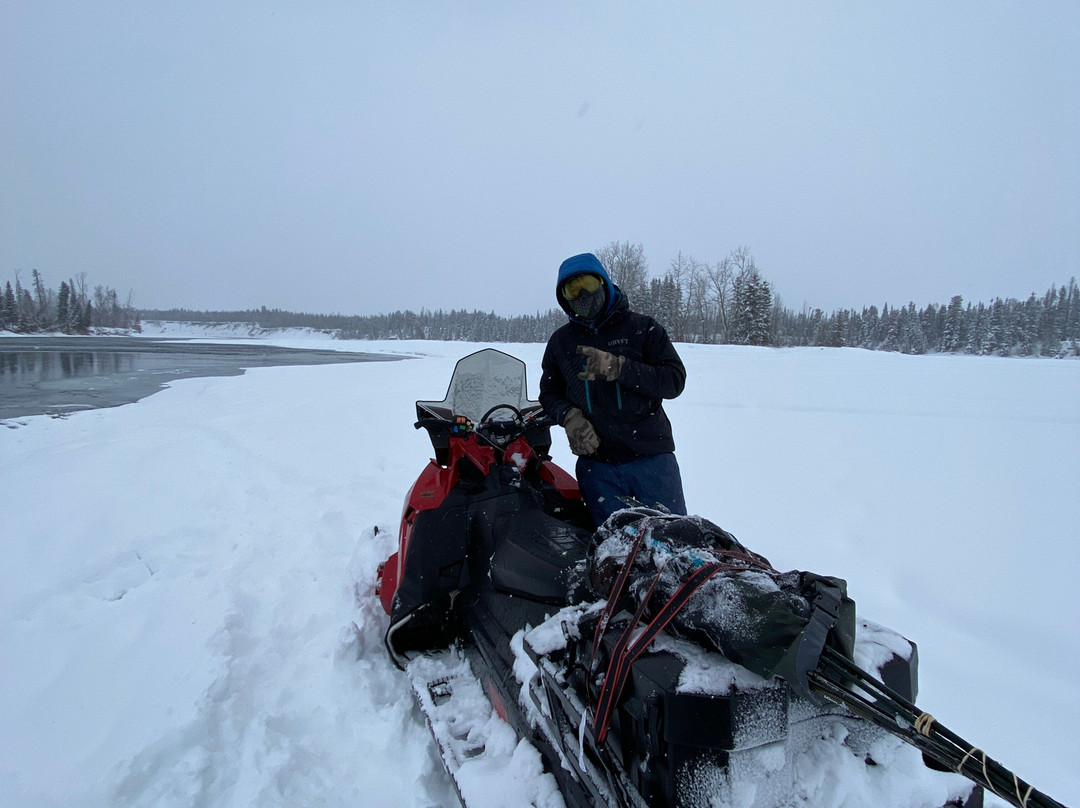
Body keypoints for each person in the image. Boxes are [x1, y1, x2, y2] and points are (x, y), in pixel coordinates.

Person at [540, 252, 688, 526]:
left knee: (673, 540)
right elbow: (549, 394)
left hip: (651, 459)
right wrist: (569, 418)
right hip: (597, 466)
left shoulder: (643, 329)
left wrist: (620, 369)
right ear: (563, 297)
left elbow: (674, 380)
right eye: (572, 288)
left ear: (604, 283)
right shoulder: (561, 342)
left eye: (588, 283)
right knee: (613, 550)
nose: (582, 293)